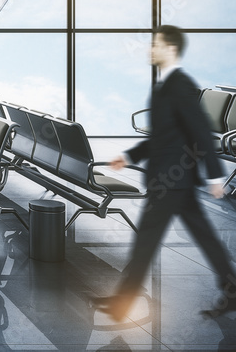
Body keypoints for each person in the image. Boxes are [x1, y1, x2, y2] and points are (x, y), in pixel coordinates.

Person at [96, 25, 236, 321]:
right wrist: (130, 155)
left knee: (146, 239)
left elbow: (199, 130)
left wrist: (214, 176)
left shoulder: (181, 85)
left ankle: (123, 303)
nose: (150, 49)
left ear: (170, 49)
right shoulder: (165, 86)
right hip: (173, 178)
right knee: (203, 234)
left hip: (172, 179)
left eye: (155, 44)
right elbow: (164, 135)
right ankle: (232, 288)